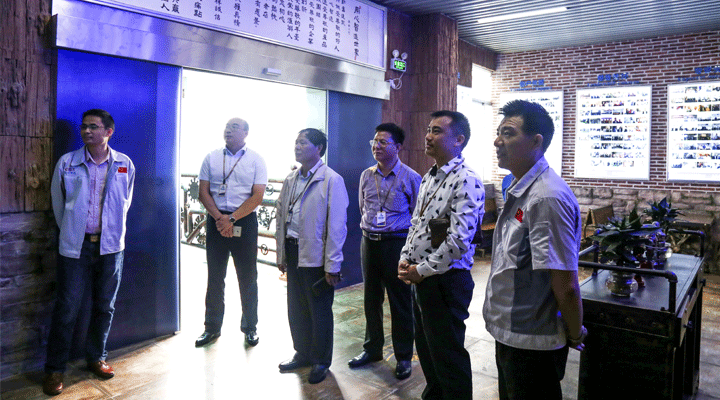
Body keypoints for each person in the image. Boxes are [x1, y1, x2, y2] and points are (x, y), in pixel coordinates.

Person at [483, 100, 586, 400]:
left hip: (531, 340)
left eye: (508, 133)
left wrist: (576, 332)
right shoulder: (522, 186)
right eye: (498, 133)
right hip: (512, 330)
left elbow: (565, 284)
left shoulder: (546, 197)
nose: (497, 141)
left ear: (536, 142)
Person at [43, 109, 135, 396]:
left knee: (105, 306)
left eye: (93, 127)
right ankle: (55, 369)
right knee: (67, 308)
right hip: (76, 246)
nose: (86, 131)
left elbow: (125, 201)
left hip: (111, 247)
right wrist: (72, 231)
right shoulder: (67, 162)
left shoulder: (124, 164)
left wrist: (110, 231)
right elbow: (58, 203)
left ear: (108, 132)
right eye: (84, 127)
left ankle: (96, 358)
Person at [398, 110, 484, 400]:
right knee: (427, 349)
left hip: (446, 279)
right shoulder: (429, 176)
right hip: (423, 276)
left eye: (437, 131)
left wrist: (420, 270)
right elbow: (418, 223)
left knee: (448, 357)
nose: (428, 136)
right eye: (428, 129)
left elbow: (458, 241)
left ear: (458, 140)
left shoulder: (466, 179)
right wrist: (406, 257)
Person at [275, 128, 349, 384]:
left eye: (303, 143)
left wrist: (333, 264)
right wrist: (281, 253)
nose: (297, 146)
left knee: (319, 310)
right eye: (296, 142)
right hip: (293, 249)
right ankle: (302, 352)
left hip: (317, 254)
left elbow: (337, 226)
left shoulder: (331, 180)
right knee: (296, 307)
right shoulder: (291, 179)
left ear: (318, 148)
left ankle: (320, 360)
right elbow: (281, 216)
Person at [348, 123, 421, 380]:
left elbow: (418, 216)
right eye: (375, 142)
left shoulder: (411, 177)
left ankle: (403, 356)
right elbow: (363, 208)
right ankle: (372, 349)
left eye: (383, 142)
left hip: (397, 243)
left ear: (398, 147)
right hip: (369, 242)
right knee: (371, 298)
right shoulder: (367, 175)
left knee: (400, 301)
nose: (376, 147)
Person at [195, 118, 267, 348]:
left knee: (248, 277)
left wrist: (232, 218)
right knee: (215, 277)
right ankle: (211, 328)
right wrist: (220, 218)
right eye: (227, 127)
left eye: (234, 127)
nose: (228, 130)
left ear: (246, 132)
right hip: (216, 221)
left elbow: (257, 196)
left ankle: (250, 327)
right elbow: (203, 192)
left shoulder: (256, 159)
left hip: (244, 221)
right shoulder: (211, 157)